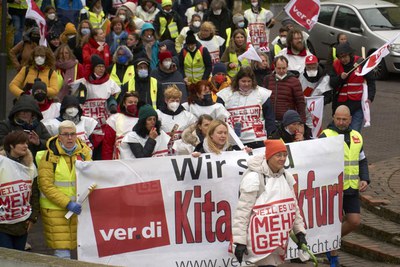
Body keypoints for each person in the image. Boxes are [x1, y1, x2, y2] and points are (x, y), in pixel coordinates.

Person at [232, 139, 307, 266]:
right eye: (278, 155)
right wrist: (239, 241)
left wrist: (300, 232)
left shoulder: (286, 176)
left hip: (277, 239)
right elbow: (243, 211)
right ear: (269, 156)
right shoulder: (254, 177)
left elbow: (293, 207)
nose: (282, 158)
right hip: (257, 239)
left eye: (284, 155)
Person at [320, 105, 370, 266]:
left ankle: (328, 242)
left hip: (351, 187)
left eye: (344, 119)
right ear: (333, 117)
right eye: (338, 118)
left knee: (354, 221)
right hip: (332, 188)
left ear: (350, 119)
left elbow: (362, 160)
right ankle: (333, 257)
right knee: (334, 223)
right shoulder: (325, 135)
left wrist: (365, 178)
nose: (341, 122)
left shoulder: (357, 136)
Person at [38, 120, 92, 259]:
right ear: (59, 136)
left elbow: (91, 178)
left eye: (72, 134)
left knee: (81, 249)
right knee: (62, 252)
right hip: (55, 209)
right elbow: (46, 186)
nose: (69, 138)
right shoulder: (49, 156)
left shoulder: (85, 153)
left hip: (79, 208)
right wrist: (67, 203)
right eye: (66, 134)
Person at [72, 55, 121, 159]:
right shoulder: (82, 83)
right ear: (93, 67)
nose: (101, 69)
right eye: (98, 66)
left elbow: (113, 99)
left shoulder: (110, 83)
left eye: (103, 66)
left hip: (104, 125)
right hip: (87, 126)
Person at [217, 67, 276, 148]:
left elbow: (269, 117)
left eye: (249, 81)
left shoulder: (262, 93)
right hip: (235, 141)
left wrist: (271, 136)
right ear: (238, 81)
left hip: (257, 139)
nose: (246, 84)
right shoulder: (225, 95)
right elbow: (219, 118)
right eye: (243, 81)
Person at [0, 131, 39, 251]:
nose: (26, 146)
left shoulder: (30, 166)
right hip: (2, 225)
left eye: (26, 143)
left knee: (18, 259)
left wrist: (33, 218)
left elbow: (35, 193)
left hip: (23, 223)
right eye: (21, 143)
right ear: (11, 145)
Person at [329, 42, 376, 133]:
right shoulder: (335, 65)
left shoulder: (361, 62)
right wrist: (340, 78)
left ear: (350, 54)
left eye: (345, 56)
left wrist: (370, 98)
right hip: (340, 106)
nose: (343, 59)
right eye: (340, 57)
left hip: (357, 106)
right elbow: (332, 83)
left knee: (354, 134)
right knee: (339, 133)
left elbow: (371, 82)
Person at [264, 56, 306, 123]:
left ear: (287, 67)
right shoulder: (268, 79)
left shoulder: (294, 81)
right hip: (270, 120)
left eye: (284, 68)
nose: (281, 71)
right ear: (274, 67)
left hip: (288, 121)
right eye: (279, 68)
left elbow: (300, 103)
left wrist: (302, 121)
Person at [156, 85, 197, 154]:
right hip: (163, 151)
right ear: (166, 100)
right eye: (172, 100)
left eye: (177, 101)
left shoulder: (188, 116)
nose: (175, 103)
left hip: (182, 152)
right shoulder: (158, 115)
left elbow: (193, 135)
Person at [102, 92, 140, 160]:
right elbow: (108, 145)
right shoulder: (114, 119)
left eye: (135, 102)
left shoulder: (142, 119)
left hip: (138, 161)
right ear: (124, 104)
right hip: (120, 161)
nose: (133, 105)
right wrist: (107, 163)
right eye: (130, 102)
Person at [299, 54, 332, 131]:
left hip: (317, 111)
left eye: (313, 67)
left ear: (317, 65)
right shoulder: (301, 76)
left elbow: (329, 96)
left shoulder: (324, 78)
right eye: (309, 67)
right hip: (304, 111)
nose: (311, 69)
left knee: (315, 130)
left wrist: (319, 102)